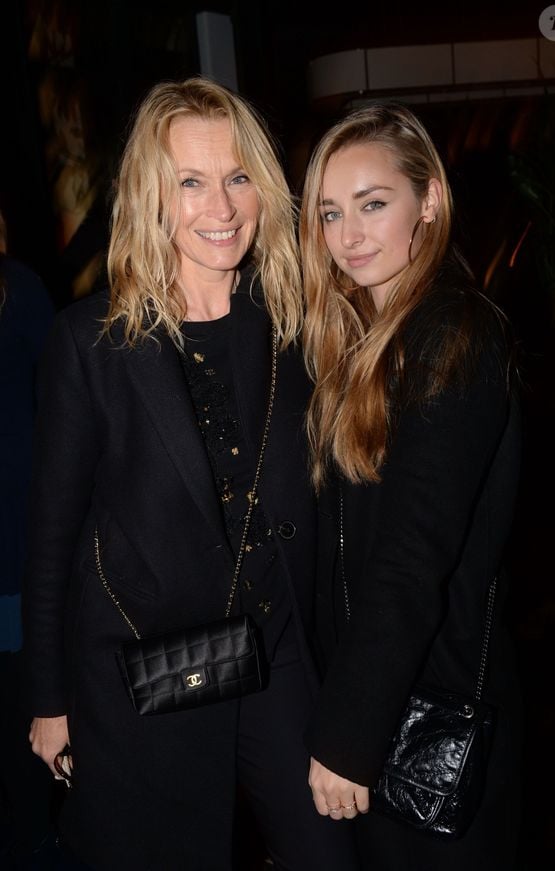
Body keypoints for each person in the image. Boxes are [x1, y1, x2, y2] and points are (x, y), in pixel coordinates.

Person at [23, 76, 359, 871]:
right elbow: (52, 538)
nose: (222, 206)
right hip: (148, 671)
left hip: (276, 657)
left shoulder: (295, 326)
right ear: (152, 196)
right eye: (192, 182)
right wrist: (47, 699)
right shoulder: (91, 343)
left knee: (328, 854)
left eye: (239, 177)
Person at [298, 103, 523, 869]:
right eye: (330, 212)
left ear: (428, 201)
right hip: (390, 691)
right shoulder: (367, 335)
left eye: (373, 203)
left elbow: (411, 555)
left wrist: (348, 734)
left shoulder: (452, 333)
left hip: (432, 710)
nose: (348, 234)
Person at [0, 210, 57, 866]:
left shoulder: (23, 294)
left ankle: (38, 832)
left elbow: (62, 410)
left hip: (22, 550)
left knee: (27, 712)